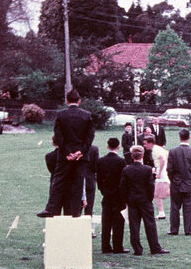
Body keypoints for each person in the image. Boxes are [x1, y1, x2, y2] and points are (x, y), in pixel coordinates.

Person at [37, 89, 95, 218]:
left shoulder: (61, 115)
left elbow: (59, 136)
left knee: (58, 181)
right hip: (81, 155)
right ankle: (75, 212)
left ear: (66, 101)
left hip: (65, 155)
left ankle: (51, 208)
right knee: (78, 183)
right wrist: (81, 151)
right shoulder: (87, 115)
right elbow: (90, 136)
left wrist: (67, 152)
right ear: (79, 101)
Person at [119, 142, 169, 256]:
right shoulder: (147, 169)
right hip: (145, 200)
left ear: (132, 156)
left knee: (134, 225)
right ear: (142, 156)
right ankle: (154, 247)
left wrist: (126, 200)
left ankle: (137, 249)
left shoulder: (127, 170)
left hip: (132, 200)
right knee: (150, 224)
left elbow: (123, 186)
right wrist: (149, 198)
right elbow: (150, 186)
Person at [166, 127, 191, 235]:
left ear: (179, 137)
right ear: (189, 137)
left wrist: (173, 180)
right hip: (189, 183)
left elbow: (169, 169)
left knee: (175, 207)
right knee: (188, 207)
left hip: (176, 183)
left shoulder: (172, 151)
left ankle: (174, 229)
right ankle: (188, 229)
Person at [96, 138, 127, 254]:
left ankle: (105, 246)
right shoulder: (122, 161)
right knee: (118, 222)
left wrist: (103, 190)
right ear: (118, 147)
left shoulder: (100, 161)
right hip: (118, 196)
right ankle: (118, 247)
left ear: (107, 146)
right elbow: (123, 181)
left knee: (106, 221)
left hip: (107, 194)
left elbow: (98, 179)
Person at [148, 134, 170, 219]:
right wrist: (156, 168)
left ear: (150, 143)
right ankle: (161, 213)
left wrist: (160, 171)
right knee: (156, 194)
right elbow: (167, 154)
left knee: (162, 194)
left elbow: (163, 159)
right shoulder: (157, 149)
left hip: (163, 173)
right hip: (161, 171)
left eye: (145, 144)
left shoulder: (156, 150)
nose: (144, 146)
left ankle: (177, 190)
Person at [82, 143, 100, 218]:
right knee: (89, 206)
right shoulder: (94, 149)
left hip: (78, 178)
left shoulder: (77, 148)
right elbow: (96, 166)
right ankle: (88, 223)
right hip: (90, 178)